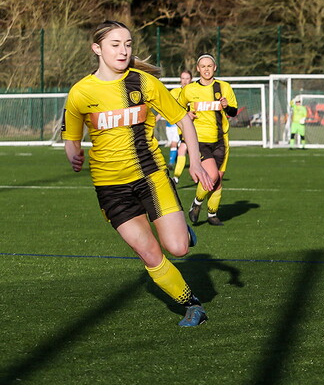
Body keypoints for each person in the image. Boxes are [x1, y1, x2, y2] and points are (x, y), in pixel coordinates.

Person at [62, 20, 215, 327]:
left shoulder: (143, 83)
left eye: (128, 44)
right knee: (149, 253)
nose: (123, 50)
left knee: (178, 248)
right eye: (115, 44)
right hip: (110, 188)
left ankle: (183, 232)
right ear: (97, 49)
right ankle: (191, 305)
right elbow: (71, 139)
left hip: (151, 177)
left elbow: (184, 121)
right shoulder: (80, 93)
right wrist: (74, 155)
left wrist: (196, 162)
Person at [180, 54, 238, 226]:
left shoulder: (224, 87)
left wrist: (227, 106)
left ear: (215, 68)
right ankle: (196, 204)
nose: (206, 69)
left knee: (218, 180)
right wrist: (186, 114)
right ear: (198, 68)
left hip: (221, 140)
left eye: (209, 66)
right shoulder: (189, 90)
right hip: (199, 141)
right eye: (203, 66)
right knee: (211, 175)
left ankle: (212, 214)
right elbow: (176, 110)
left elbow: (234, 113)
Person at [170, 70, 193, 185]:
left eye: (187, 78)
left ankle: (176, 177)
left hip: (197, 128)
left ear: (191, 79)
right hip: (182, 129)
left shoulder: (195, 92)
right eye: (183, 78)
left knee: (183, 150)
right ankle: (176, 177)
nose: (185, 81)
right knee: (183, 150)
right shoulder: (174, 92)